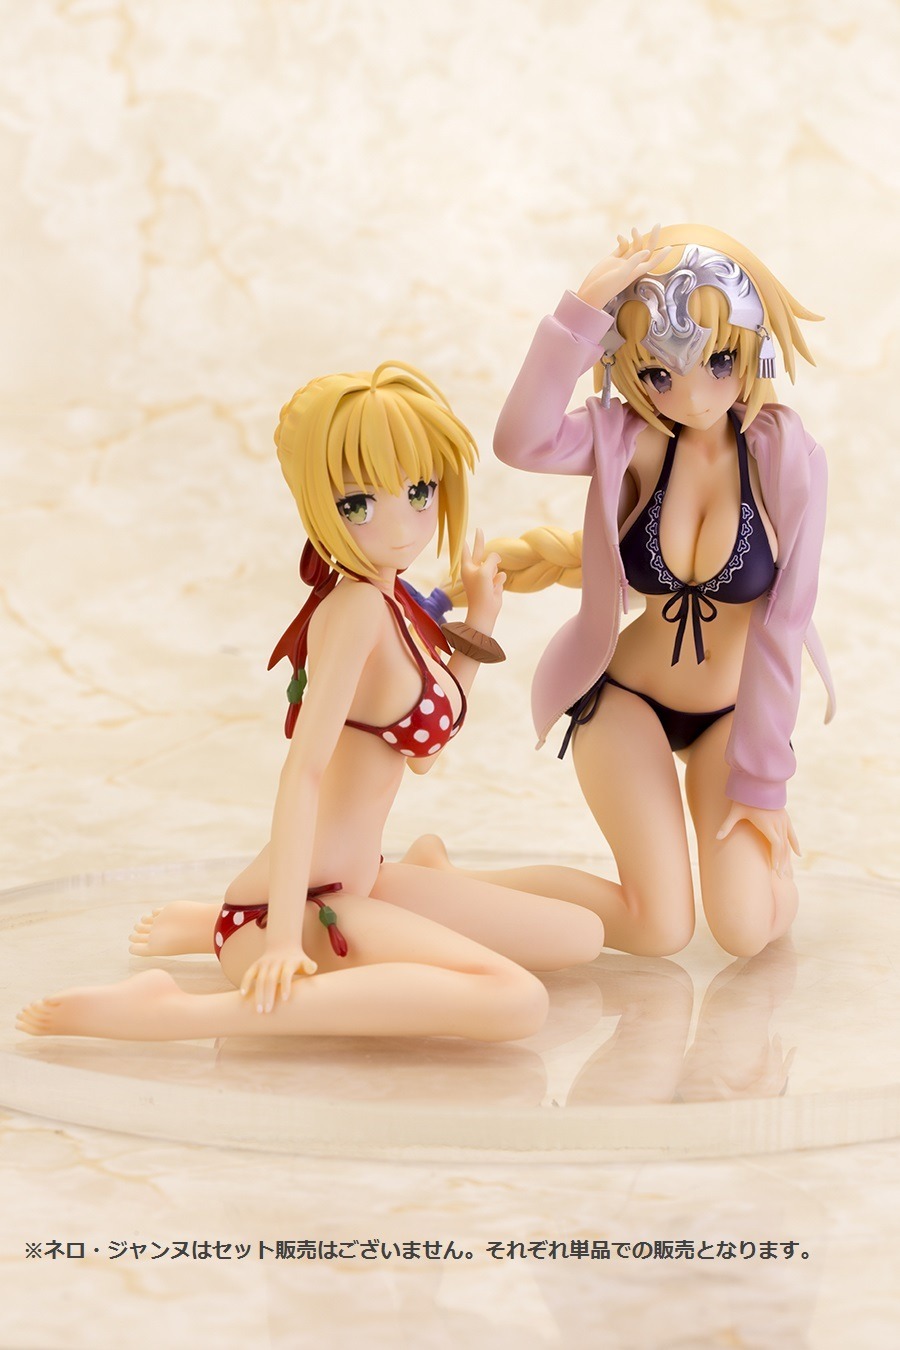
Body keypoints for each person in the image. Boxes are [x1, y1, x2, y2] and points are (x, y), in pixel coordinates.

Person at [17, 363, 603, 1043]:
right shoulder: (356, 610)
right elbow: (303, 773)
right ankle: (171, 1012)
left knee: (580, 935)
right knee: (514, 1000)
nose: (401, 525)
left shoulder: (395, 604)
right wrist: (280, 944)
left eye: (419, 492)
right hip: (290, 909)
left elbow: (423, 756)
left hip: (363, 881)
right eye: (360, 503)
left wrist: (482, 622)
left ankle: (217, 921)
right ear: (319, 504)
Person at [423, 226, 833, 959]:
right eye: (659, 374)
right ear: (628, 367)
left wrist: (764, 783)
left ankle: (774, 879)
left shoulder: (786, 456)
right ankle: (445, 884)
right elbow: (521, 441)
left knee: (744, 928)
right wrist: (580, 312)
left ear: (753, 348)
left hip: (734, 718)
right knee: (658, 926)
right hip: (625, 700)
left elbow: (785, 624)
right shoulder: (629, 439)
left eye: (718, 361)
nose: (693, 394)